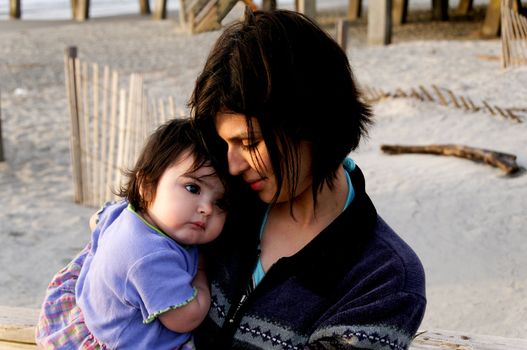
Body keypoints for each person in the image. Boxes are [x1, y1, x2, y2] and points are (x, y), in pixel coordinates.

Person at [188, 8, 426, 349]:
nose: (234, 164)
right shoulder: (215, 202)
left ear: (311, 123)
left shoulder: (383, 277)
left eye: (249, 142)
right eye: (226, 142)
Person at [36, 118, 228, 349]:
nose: (207, 208)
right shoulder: (150, 258)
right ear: (147, 186)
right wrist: (201, 271)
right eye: (192, 188)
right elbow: (187, 318)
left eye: (220, 202)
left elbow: (95, 220)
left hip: (93, 313)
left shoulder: (125, 210)